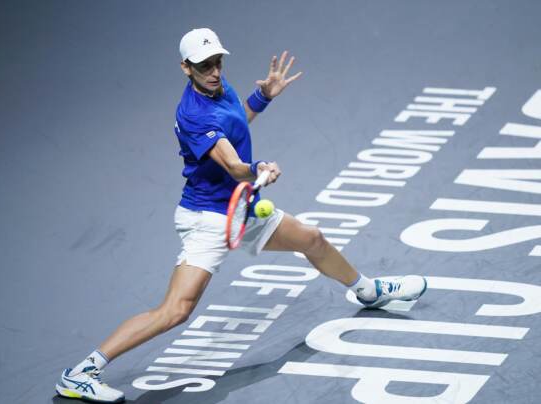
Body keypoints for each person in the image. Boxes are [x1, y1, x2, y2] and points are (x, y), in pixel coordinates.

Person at [55, 28, 427, 403]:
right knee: (175, 311)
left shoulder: (220, 88)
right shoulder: (193, 114)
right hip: (209, 218)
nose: (214, 71)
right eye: (204, 66)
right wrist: (259, 167)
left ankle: (368, 290)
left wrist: (262, 97)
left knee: (311, 239)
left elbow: (234, 125)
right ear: (186, 68)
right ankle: (80, 373)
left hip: (241, 208)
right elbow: (233, 166)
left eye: (217, 62)